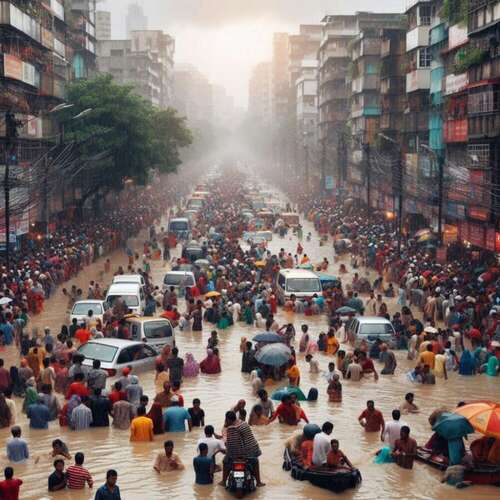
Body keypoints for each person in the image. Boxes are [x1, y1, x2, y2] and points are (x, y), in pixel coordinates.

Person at [220, 411, 264, 487]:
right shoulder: (244, 423)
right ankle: (259, 482)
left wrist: (227, 452)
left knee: (225, 461)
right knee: (255, 461)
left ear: (228, 419)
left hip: (241, 455)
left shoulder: (232, 428)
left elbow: (231, 444)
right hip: (253, 451)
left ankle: (223, 482)